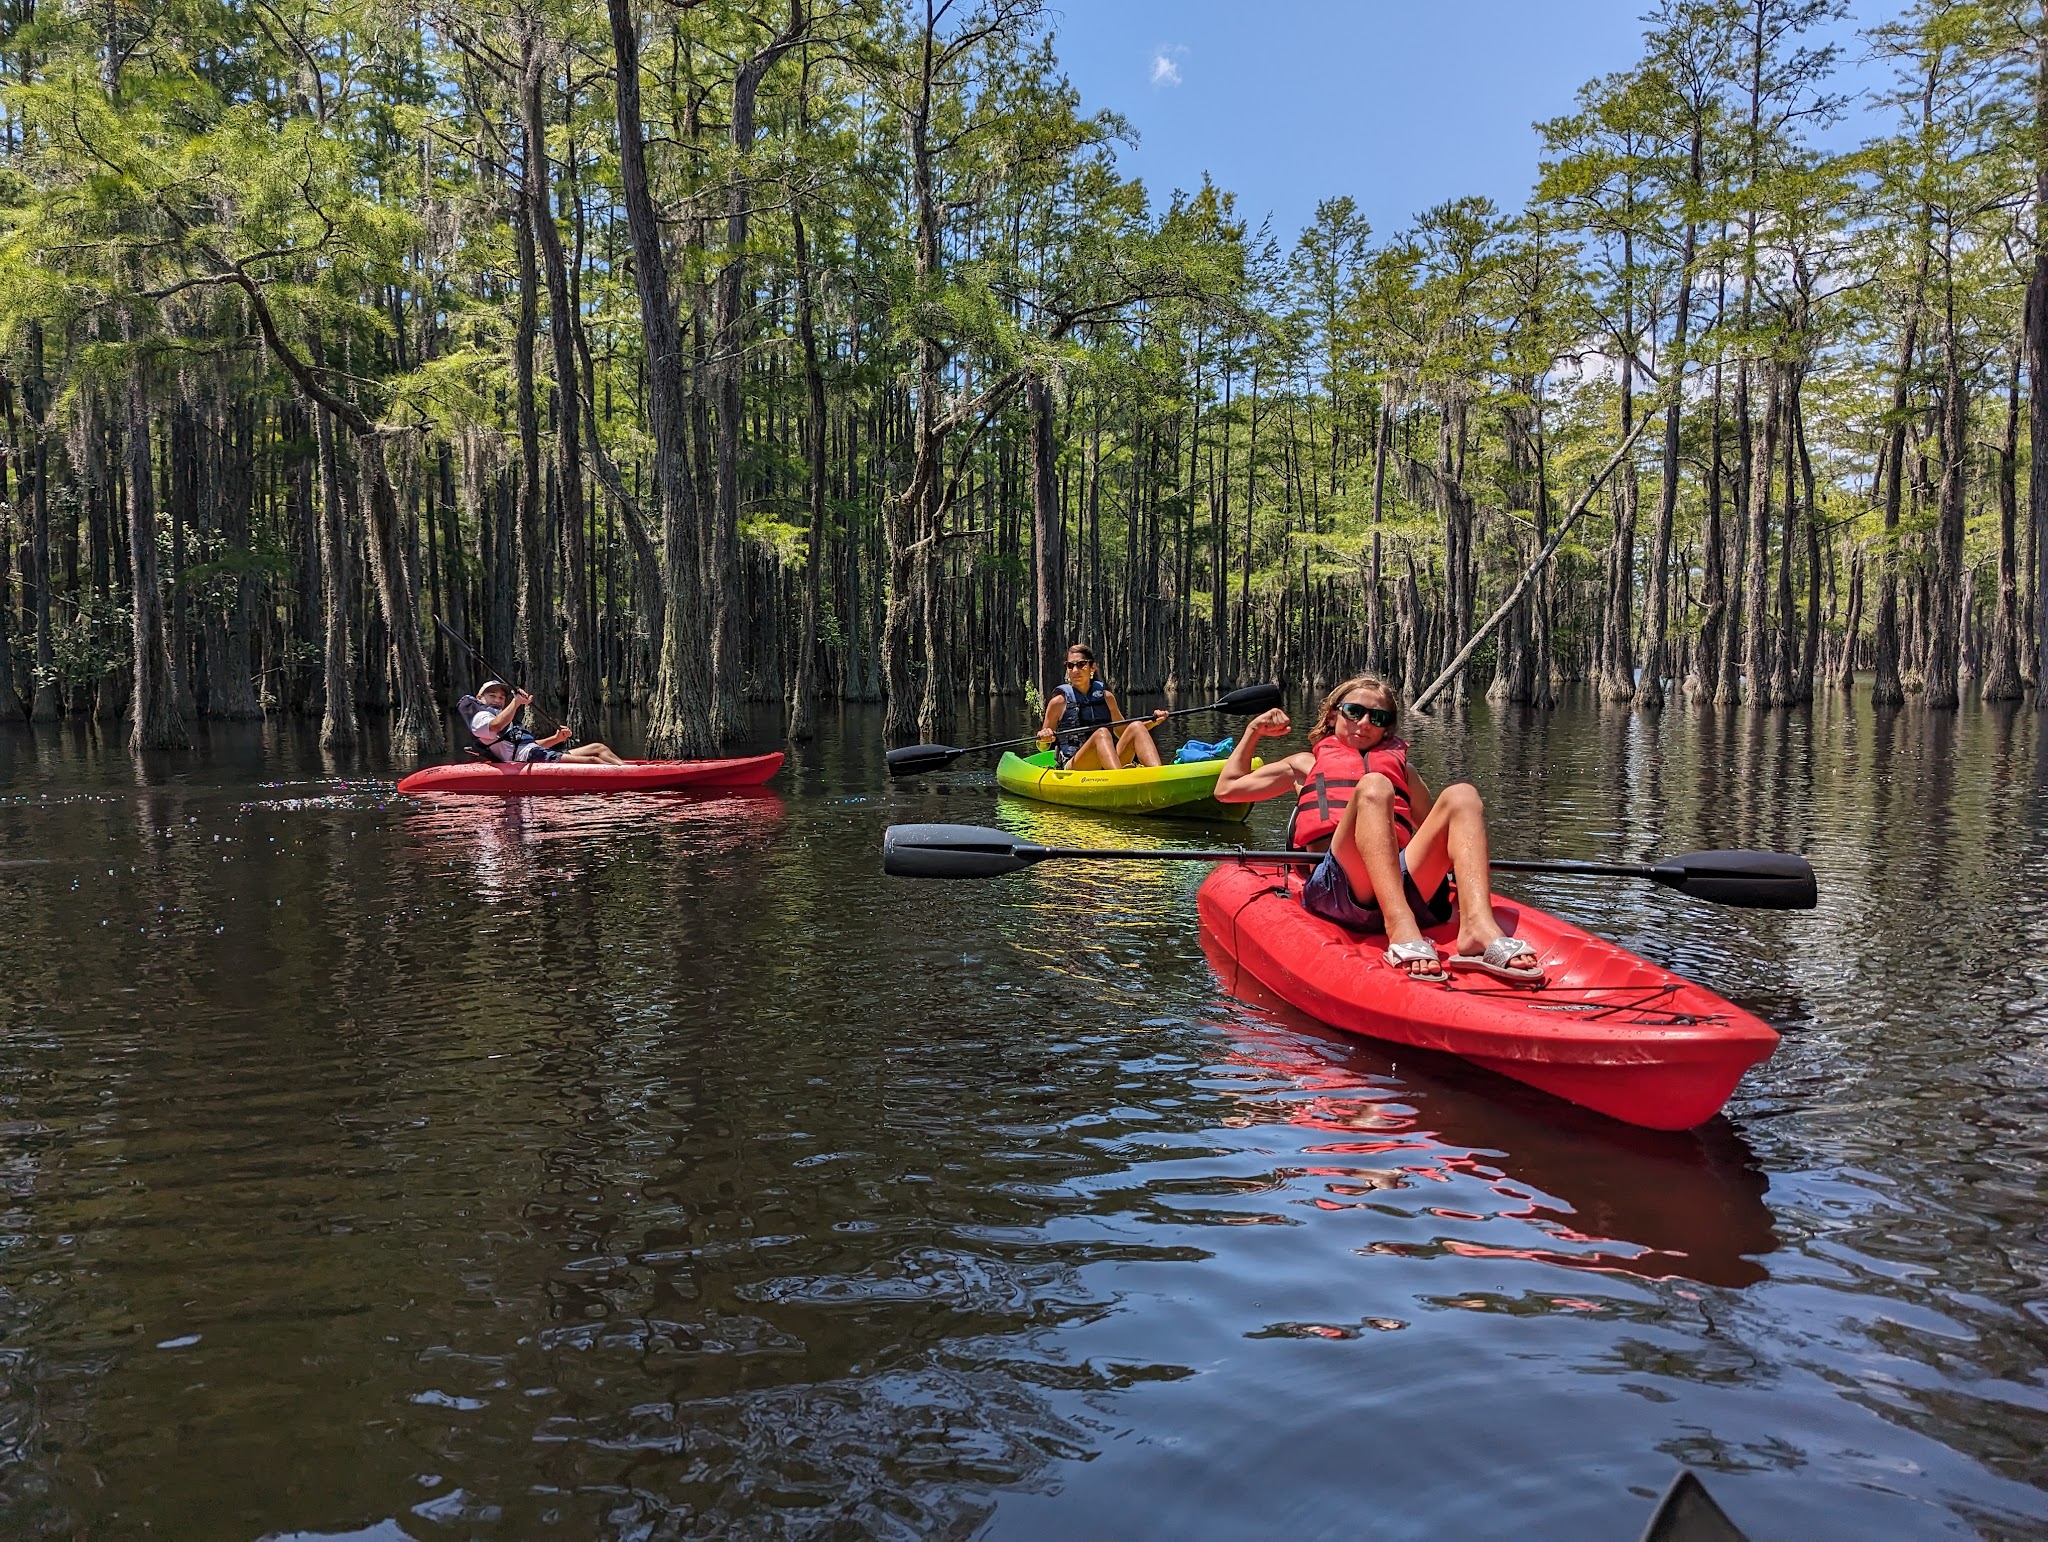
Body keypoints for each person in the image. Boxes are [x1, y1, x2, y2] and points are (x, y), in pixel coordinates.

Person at [1212, 674, 1543, 986]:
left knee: (1462, 796)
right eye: (1354, 712)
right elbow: (1226, 790)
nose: (1365, 723)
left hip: (1401, 883)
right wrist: (1253, 730)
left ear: (1388, 730)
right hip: (1339, 888)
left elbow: (1440, 834)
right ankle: (1400, 928)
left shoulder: (1405, 772)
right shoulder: (1303, 765)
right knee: (1374, 786)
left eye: (1378, 718)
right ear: (1332, 716)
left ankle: (1478, 927)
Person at [1035, 645, 1169, 770]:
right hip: (1075, 764)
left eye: (1081, 665)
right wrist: (1043, 739)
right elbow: (1042, 747)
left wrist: (1153, 721)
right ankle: (1120, 780)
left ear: (1092, 667)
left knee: (1136, 727)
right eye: (1070, 666)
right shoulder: (1058, 702)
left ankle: (1158, 775)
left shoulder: (1107, 698)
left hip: (1107, 761)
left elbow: (1123, 732)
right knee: (1102, 733)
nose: (1075, 670)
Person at [461, 680, 627, 766]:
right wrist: (516, 702)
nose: (498, 700)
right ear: (479, 698)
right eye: (492, 696)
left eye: (502, 697)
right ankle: (629, 778)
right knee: (593, 761)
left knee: (598, 748)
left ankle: (629, 770)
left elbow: (529, 744)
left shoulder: (505, 717)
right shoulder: (480, 717)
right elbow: (495, 726)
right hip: (527, 760)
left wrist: (556, 739)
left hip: (535, 753)